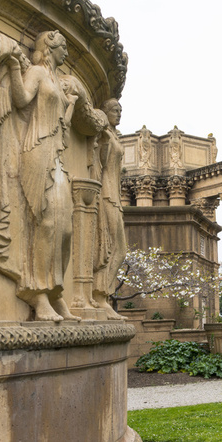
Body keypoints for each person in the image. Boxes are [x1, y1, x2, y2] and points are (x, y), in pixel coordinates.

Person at [6, 30, 79, 321]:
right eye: (63, 48)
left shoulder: (58, 83)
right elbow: (21, 99)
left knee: (65, 227)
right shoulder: (36, 72)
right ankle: (38, 294)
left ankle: (56, 291)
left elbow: (64, 124)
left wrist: (71, 103)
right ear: (50, 47)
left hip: (57, 150)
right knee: (46, 222)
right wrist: (13, 67)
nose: (67, 54)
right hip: (36, 147)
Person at [93, 98, 127, 319]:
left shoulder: (113, 135)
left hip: (115, 193)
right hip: (106, 192)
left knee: (120, 249)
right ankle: (99, 296)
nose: (119, 113)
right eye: (115, 110)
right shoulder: (104, 134)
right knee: (108, 245)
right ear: (105, 112)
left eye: (121, 110)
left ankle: (103, 295)